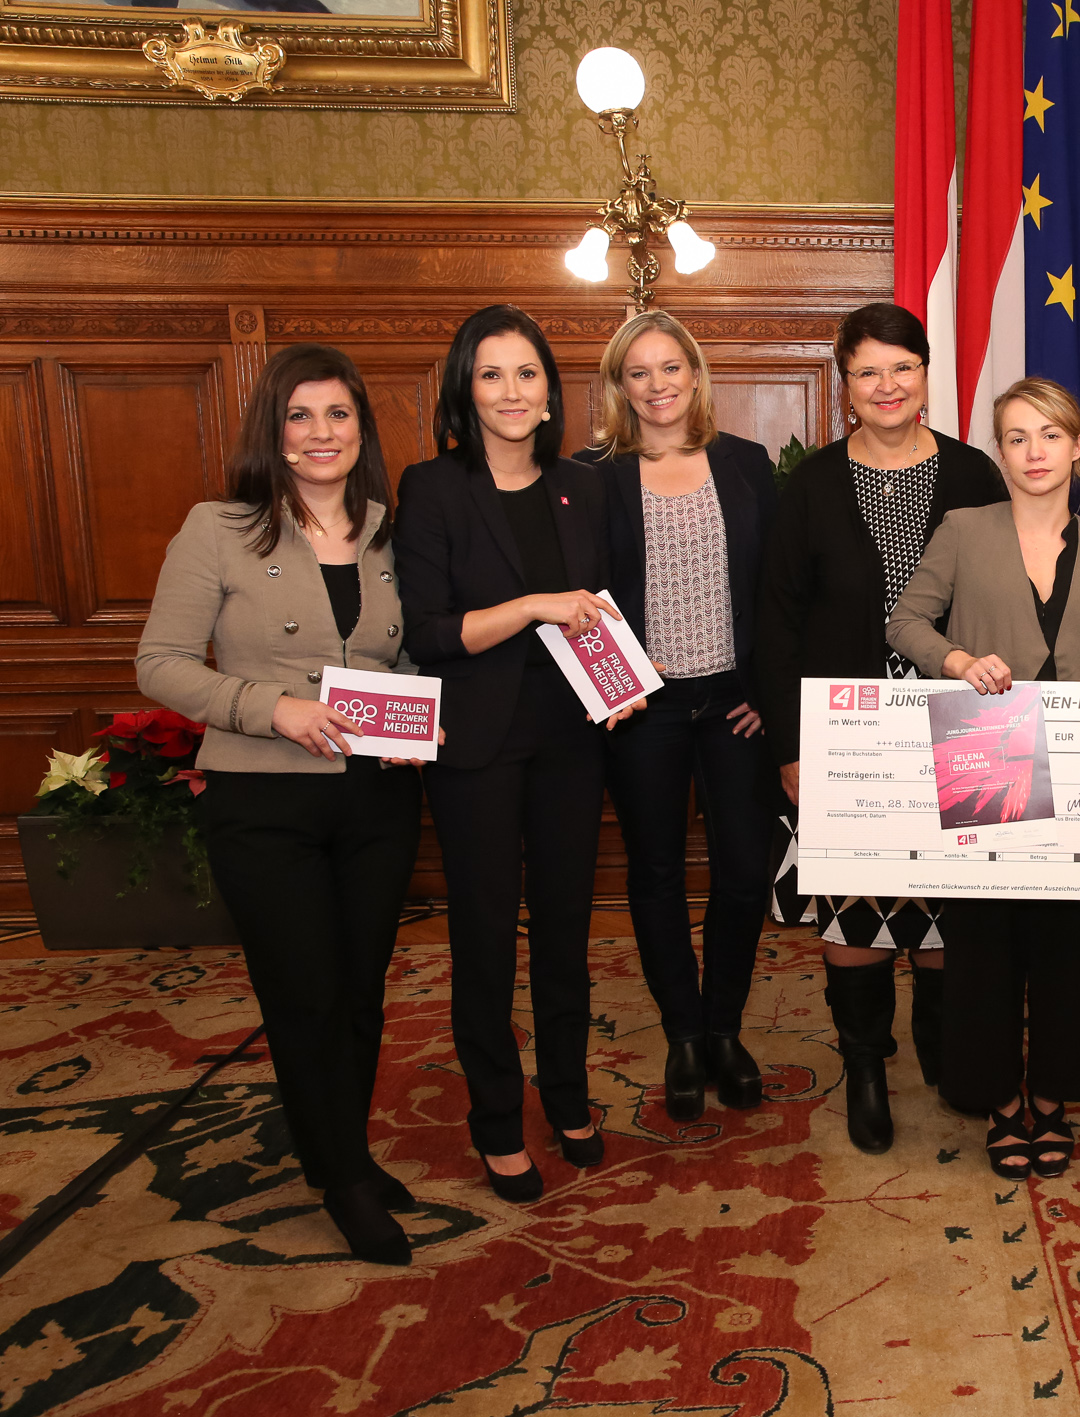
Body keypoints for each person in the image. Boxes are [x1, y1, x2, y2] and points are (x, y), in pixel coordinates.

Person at [137, 344, 426, 1264]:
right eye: (300, 415)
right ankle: (342, 1178)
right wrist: (272, 708)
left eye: (338, 414)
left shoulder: (391, 532)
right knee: (306, 994)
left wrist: (422, 719)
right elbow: (160, 664)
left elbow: (405, 658)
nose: (320, 433)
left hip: (377, 798)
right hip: (262, 798)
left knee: (361, 992)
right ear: (274, 430)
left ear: (362, 429)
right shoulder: (219, 527)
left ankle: (344, 1152)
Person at [394, 305, 643, 1204]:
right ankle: (497, 1118)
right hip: (477, 748)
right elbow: (428, 631)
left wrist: (621, 682)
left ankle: (568, 1095)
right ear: (466, 390)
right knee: (486, 938)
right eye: (491, 374)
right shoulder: (432, 487)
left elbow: (604, 605)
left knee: (567, 931)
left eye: (527, 373)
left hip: (572, 740)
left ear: (549, 391)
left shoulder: (585, 485)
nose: (511, 391)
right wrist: (536, 604)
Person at [757, 301, 1009, 1154]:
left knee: (949, 906)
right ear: (846, 386)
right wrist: (792, 748)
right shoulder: (813, 485)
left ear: (927, 374)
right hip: (849, 740)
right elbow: (777, 624)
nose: (887, 384)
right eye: (867, 370)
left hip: (959, 727)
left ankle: (941, 1039)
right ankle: (865, 1061)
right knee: (857, 906)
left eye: (902, 367)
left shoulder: (974, 473)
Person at [886, 377, 1080, 1181]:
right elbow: (905, 620)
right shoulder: (964, 529)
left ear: (1078, 446)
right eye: (1017, 437)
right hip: (984, 756)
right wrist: (954, 659)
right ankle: (998, 1101)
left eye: (1050, 435)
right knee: (984, 944)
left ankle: (1052, 1096)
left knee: (1067, 945)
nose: (1034, 452)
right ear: (1000, 450)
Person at [581, 311, 777, 1125]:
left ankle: (725, 1027)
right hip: (643, 707)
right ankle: (684, 1036)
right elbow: (577, 594)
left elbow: (776, 589)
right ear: (619, 386)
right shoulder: (593, 475)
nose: (657, 385)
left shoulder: (747, 463)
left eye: (671, 368)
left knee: (744, 870)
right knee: (656, 870)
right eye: (639, 372)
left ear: (695, 374)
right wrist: (609, 688)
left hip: (733, 703)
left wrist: (768, 691)